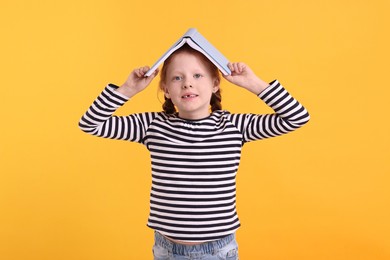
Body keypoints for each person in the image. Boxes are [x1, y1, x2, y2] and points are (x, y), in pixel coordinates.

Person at [79, 44, 310, 260]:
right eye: (177, 78)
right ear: (166, 89)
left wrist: (253, 83)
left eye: (197, 76)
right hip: (166, 249)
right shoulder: (152, 126)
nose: (187, 83)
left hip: (219, 250)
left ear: (215, 84)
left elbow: (297, 117)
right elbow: (90, 124)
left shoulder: (234, 126)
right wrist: (127, 90)